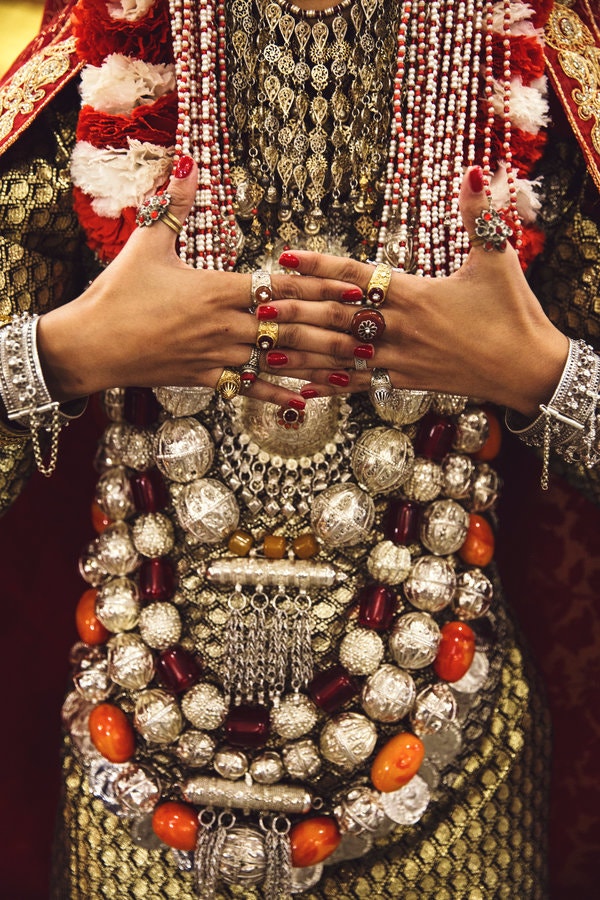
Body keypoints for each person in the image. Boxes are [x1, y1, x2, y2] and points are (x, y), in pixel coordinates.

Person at [0, 0, 598, 897]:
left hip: (446, 750)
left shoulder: (527, 62)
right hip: (137, 771)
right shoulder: (100, 58)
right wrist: (66, 354)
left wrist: (543, 375)